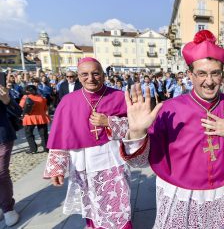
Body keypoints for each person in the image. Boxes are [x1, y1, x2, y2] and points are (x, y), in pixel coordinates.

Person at [119, 30, 224, 228]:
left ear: (222, 74)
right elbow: (139, 162)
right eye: (201, 73)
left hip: (220, 191)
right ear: (190, 75)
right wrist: (136, 132)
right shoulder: (169, 109)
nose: (209, 81)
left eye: (215, 73)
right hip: (180, 194)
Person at [43, 57, 134, 229]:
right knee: (91, 202)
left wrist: (110, 122)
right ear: (78, 76)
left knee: (117, 203)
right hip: (83, 163)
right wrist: (57, 168)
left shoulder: (119, 96)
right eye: (84, 74)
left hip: (112, 160)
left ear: (103, 75)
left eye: (95, 73)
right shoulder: (68, 101)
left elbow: (136, 128)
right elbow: (60, 136)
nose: (90, 78)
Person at [0, 84, 22, 226]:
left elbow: (17, 111)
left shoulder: (2, 91)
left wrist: (7, 100)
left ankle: (8, 208)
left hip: (2, 137)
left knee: (1, 173)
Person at [20, 85, 50, 154]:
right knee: (43, 134)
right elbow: (45, 108)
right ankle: (46, 148)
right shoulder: (41, 97)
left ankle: (33, 149)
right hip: (41, 117)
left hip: (29, 117)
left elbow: (21, 107)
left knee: (29, 134)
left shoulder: (25, 97)